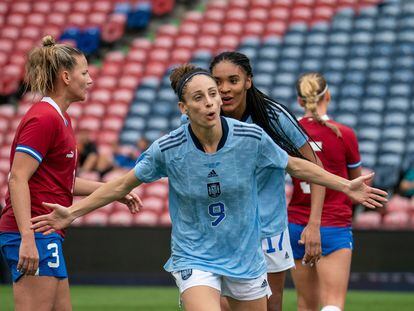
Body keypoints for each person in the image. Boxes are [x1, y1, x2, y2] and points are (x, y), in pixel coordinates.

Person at [30, 65, 387, 311]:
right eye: (198, 98)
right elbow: (123, 183)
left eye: (213, 94)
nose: (209, 102)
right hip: (195, 257)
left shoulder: (251, 137)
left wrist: (347, 186)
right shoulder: (168, 148)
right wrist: (73, 212)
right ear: (184, 108)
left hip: (246, 259)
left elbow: (295, 164)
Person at [0, 36, 140, 311]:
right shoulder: (44, 118)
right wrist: (27, 238)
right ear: (66, 76)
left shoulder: (61, 119)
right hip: (32, 232)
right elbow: (17, 178)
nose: (90, 80)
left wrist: (114, 191)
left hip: (46, 232)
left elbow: (63, 181)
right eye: (84, 73)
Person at [210, 51, 325, 311]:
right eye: (217, 81)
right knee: (216, 303)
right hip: (222, 230)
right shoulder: (204, 117)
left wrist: (314, 223)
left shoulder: (271, 117)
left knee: (271, 306)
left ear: (248, 81)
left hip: (268, 230)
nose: (224, 89)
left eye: (233, 80)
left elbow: (315, 166)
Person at [288, 72, 362, 311]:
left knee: (305, 304)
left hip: (296, 225)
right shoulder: (344, 134)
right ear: (327, 96)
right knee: (333, 303)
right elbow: (356, 184)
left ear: (300, 101)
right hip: (333, 225)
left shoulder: (290, 133)